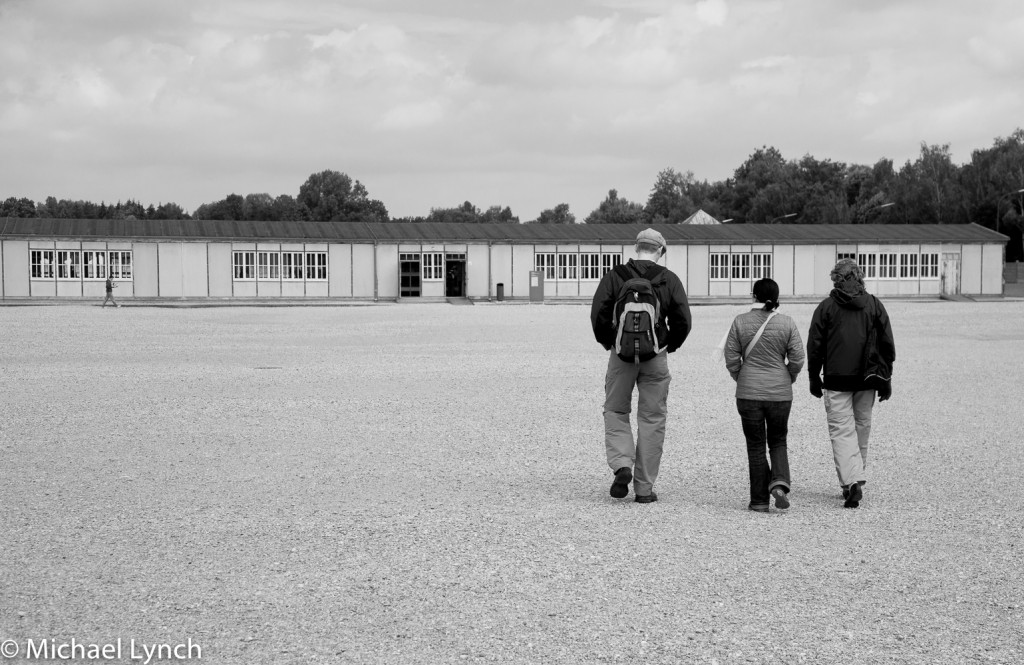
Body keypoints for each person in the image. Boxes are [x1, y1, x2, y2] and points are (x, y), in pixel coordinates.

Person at [590, 228, 692, 504]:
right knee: (652, 419)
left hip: (621, 356)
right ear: (660, 251)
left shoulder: (615, 276)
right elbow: (683, 320)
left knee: (615, 410)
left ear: (636, 248)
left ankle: (622, 464)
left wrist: (610, 343)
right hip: (655, 357)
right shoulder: (669, 279)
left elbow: (598, 314)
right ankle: (644, 489)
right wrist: (668, 345)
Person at [807, 258, 895, 509]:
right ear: (860, 276)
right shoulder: (875, 305)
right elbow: (887, 345)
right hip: (868, 378)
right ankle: (854, 479)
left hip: (836, 379)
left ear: (836, 280)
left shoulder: (826, 308)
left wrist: (814, 376)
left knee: (841, 432)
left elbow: (815, 346)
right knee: (862, 428)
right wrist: (886, 379)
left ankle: (851, 481)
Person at [724, 278, 805, 513]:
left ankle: (759, 501)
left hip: (748, 393)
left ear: (754, 296)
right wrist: (787, 377)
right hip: (780, 394)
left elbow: (731, 358)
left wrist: (742, 377)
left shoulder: (740, 321)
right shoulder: (787, 323)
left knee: (755, 446)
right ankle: (779, 482)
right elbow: (798, 358)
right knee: (778, 440)